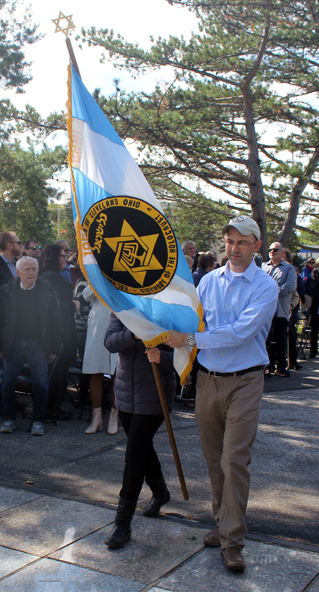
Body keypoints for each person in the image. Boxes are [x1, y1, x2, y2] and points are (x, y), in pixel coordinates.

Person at [165, 215, 278, 572]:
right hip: (208, 381)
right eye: (230, 242)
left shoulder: (265, 286)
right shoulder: (209, 280)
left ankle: (232, 540)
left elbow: (239, 333)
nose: (234, 249)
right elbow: (191, 319)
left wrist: (191, 340)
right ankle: (222, 521)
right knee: (215, 461)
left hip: (245, 382)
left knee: (234, 460)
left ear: (257, 246)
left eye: (243, 242)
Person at [103, 313, 176, 549]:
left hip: (154, 393)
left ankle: (122, 523)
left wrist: (162, 357)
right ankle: (160, 492)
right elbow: (110, 342)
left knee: (134, 454)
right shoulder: (121, 308)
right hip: (125, 394)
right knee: (143, 447)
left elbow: (184, 355)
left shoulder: (166, 309)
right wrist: (134, 333)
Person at [0, 257, 62, 436]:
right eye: (27, 269)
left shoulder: (46, 288)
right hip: (12, 343)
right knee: (7, 383)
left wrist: (54, 348)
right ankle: (8, 419)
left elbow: (56, 319)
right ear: (18, 272)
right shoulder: (6, 290)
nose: (31, 273)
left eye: (34, 269)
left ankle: (38, 421)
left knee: (41, 384)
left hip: (38, 344)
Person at [39, 244, 78, 421]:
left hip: (63, 330)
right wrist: (73, 305)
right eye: (63, 255)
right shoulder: (50, 277)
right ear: (54, 257)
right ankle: (51, 407)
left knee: (60, 370)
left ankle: (53, 405)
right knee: (56, 371)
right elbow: (54, 307)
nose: (66, 258)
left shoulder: (52, 276)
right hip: (58, 333)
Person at [81, 286, 118, 435]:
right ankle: (96, 417)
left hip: (119, 320)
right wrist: (99, 278)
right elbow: (86, 295)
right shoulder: (95, 270)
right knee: (95, 371)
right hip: (97, 323)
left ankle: (114, 416)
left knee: (117, 373)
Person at [262, 242, 296, 376]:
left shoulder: (289, 269)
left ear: (282, 253)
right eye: (270, 249)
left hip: (280, 310)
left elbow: (290, 286)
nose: (272, 251)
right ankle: (266, 365)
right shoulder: (264, 267)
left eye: (275, 250)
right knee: (265, 338)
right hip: (265, 310)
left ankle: (281, 366)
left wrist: (272, 292)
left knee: (280, 338)